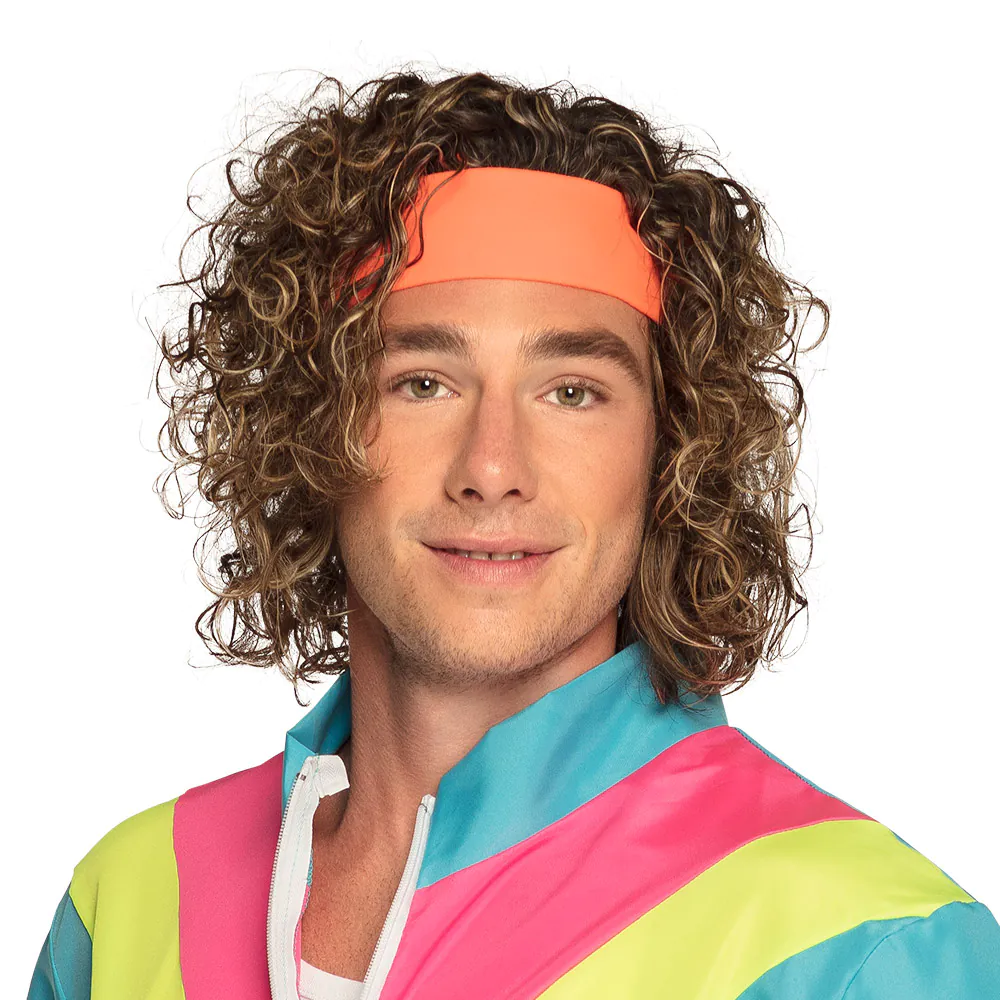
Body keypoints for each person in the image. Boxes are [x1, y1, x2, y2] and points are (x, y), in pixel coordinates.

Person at [27, 68, 1000, 1000]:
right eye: (422, 383)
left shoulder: (860, 947)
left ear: (672, 448)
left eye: (572, 392)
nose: (492, 468)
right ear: (306, 428)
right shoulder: (131, 902)